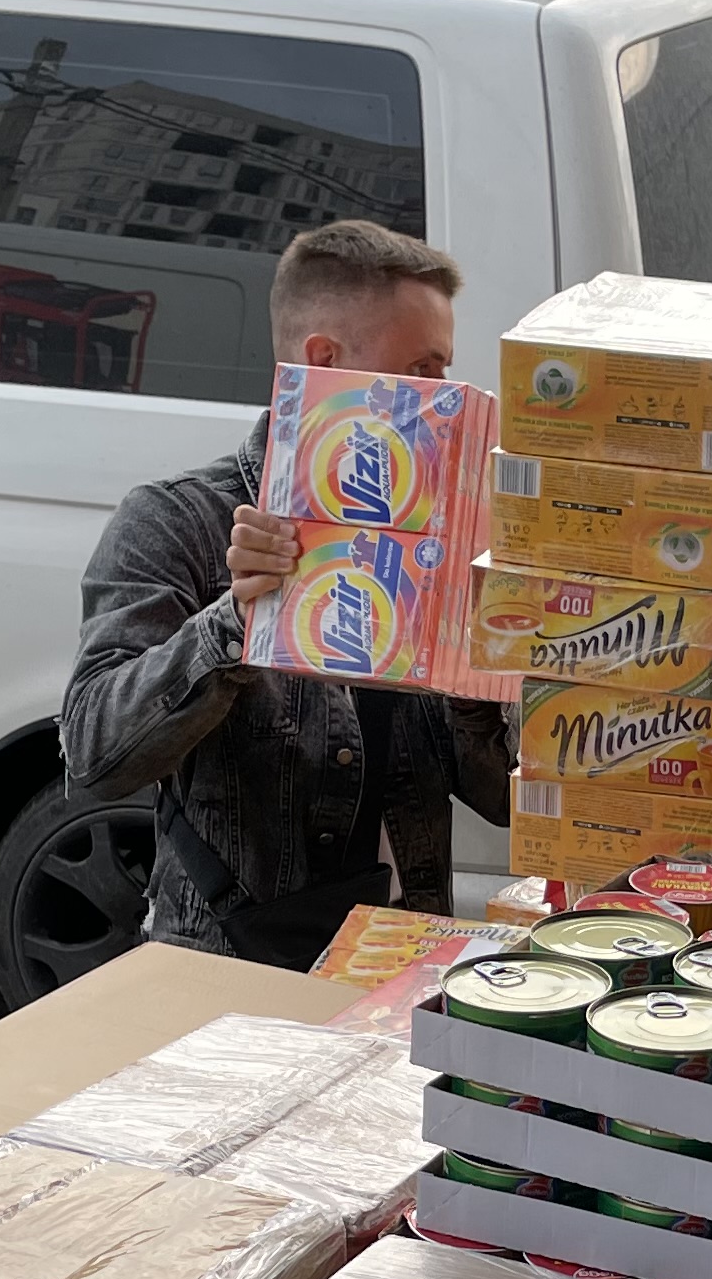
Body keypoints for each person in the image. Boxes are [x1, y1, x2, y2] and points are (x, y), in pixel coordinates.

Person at [60, 219, 512, 967]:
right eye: (423, 371)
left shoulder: (445, 534)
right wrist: (237, 623)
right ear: (327, 364)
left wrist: (486, 659)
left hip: (401, 960)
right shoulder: (180, 520)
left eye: (448, 374)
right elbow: (94, 756)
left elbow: (500, 799)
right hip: (227, 971)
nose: (446, 400)